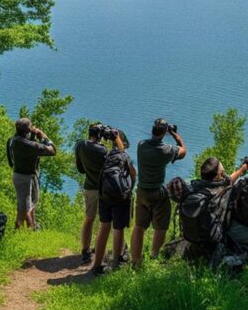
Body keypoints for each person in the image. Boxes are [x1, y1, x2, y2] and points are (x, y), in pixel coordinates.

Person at [130, 118, 186, 268]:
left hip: (141, 191)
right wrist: (174, 134)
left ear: (152, 130)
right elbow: (183, 151)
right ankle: (154, 258)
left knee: (139, 226)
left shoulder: (141, 146)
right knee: (160, 228)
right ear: (163, 133)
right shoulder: (166, 150)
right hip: (157, 193)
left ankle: (136, 262)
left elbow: (152, 141)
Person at [92, 129, 136, 275]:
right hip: (120, 197)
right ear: (122, 142)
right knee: (118, 229)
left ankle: (97, 265)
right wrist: (130, 188)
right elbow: (133, 173)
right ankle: (116, 264)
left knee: (104, 227)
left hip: (104, 195)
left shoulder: (106, 155)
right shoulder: (124, 156)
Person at [6, 117, 56, 230]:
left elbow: (25, 142)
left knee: (24, 204)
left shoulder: (13, 140)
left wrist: (31, 134)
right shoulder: (29, 145)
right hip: (28, 178)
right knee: (28, 207)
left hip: (17, 176)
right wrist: (43, 136)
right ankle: (25, 230)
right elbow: (52, 150)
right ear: (27, 130)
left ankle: (32, 227)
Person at [74, 124, 108, 265]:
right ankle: (100, 249)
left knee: (89, 219)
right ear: (100, 136)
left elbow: (81, 169)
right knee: (104, 221)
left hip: (89, 187)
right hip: (104, 189)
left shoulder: (80, 145)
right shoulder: (103, 151)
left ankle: (85, 251)